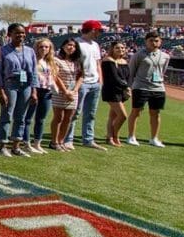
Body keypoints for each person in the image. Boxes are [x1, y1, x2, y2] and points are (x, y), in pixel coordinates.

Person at [0, 23, 38, 157]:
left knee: (21, 116)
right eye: (17, 33)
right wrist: (1, 91)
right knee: (7, 114)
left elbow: (34, 71)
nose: (20, 35)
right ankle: (2, 145)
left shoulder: (30, 51)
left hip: (25, 85)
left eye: (22, 33)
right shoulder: (3, 50)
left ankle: (16, 146)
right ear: (10, 34)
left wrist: (34, 90)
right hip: (10, 84)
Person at [65, 20, 107, 151]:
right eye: (99, 30)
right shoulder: (76, 43)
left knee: (91, 113)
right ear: (93, 30)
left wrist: (100, 80)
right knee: (75, 112)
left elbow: (98, 63)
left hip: (94, 83)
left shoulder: (95, 45)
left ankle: (88, 139)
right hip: (81, 83)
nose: (100, 33)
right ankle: (68, 139)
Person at [127, 32, 169, 148]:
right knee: (136, 112)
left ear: (160, 42)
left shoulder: (165, 56)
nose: (154, 43)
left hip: (158, 88)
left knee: (155, 113)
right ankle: (131, 136)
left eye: (156, 41)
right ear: (146, 41)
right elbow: (131, 72)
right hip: (141, 86)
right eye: (151, 40)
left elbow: (162, 71)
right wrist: (129, 87)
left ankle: (154, 138)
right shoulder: (139, 55)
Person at [23, 38, 58, 154]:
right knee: (28, 118)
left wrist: (54, 88)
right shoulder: (32, 60)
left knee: (41, 119)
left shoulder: (50, 61)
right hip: (35, 90)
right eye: (41, 47)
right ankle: (26, 143)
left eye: (46, 47)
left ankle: (37, 143)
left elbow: (52, 77)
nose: (44, 49)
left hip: (47, 91)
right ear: (36, 48)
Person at [50, 38, 83, 151]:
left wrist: (74, 91)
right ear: (63, 46)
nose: (71, 48)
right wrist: (65, 91)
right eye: (69, 45)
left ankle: (61, 141)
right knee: (59, 117)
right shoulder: (56, 60)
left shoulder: (77, 62)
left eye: (73, 46)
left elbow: (81, 77)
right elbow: (56, 76)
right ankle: (54, 142)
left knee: (68, 118)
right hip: (60, 92)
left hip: (73, 93)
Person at [101, 41, 131, 147]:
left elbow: (128, 77)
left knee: (113, 116)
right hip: (111, 91)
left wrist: (128, 88)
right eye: (117, 48)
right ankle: (115, 136)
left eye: (122, 48)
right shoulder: (108, 60)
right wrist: (126, 87)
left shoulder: (124, 61)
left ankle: (109, 137)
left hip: (121, 91)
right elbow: (114, 78)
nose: (121, 50)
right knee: (123, 116)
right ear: (112, 49)